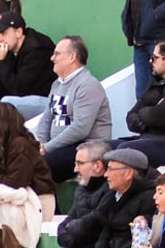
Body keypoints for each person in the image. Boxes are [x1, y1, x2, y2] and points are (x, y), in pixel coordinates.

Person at [32, 37, 111, 184]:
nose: (51, 58)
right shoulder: (57, 84)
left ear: (71, 57)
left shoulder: (88, 85)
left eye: (56, 54)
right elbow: (46, 118)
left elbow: (81, 128)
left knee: (37, 170)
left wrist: (47, 148)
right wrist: (40, 144)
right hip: (60, 147)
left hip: (86, 149)